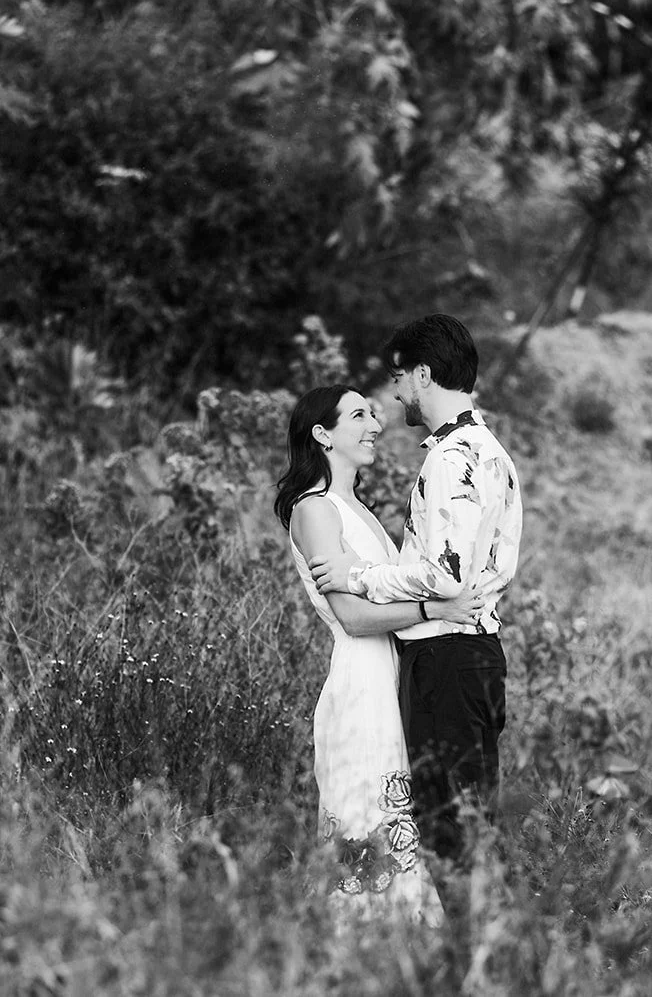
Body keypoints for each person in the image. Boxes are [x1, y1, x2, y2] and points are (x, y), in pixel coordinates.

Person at [308, 314, 522, 874]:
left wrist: (358, 577)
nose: (395, 392)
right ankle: (476, 948)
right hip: (471, 655)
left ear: (423, 374)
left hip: (447, 659)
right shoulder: (491, 452)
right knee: (468, 824)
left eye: (400, 377)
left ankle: (471, 951)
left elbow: (444, 576)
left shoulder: (451, 460)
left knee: (450, 833)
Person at [276, 383, 482, 925]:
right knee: (367, 829)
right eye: (359, 415)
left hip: (390, 677)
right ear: (322, 434)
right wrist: (438, 611)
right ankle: (358, 956)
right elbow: (353, 617)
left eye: (373, 412)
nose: (375, 423)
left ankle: (403, 958)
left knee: (400, 830)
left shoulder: (356, 509)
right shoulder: (315, 510)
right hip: (360, 682)